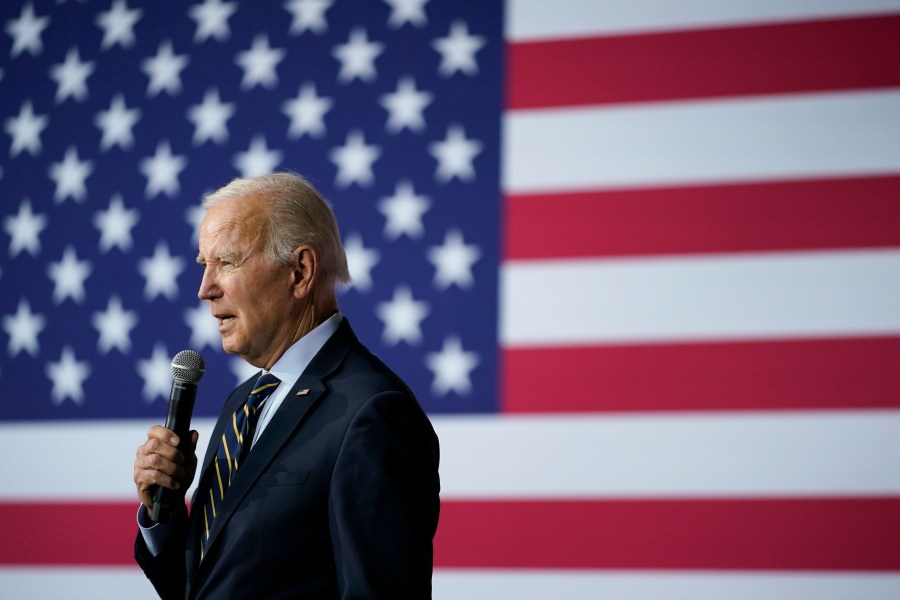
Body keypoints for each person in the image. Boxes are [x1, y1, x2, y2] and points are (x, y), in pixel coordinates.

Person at [132, 172, 440, 599]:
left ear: (299, 271)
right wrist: (161, 514)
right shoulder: (242, 405)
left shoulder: (373, 412)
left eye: (226, 262)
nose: (204, 289)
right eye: (204, 266)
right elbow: (205, 587)